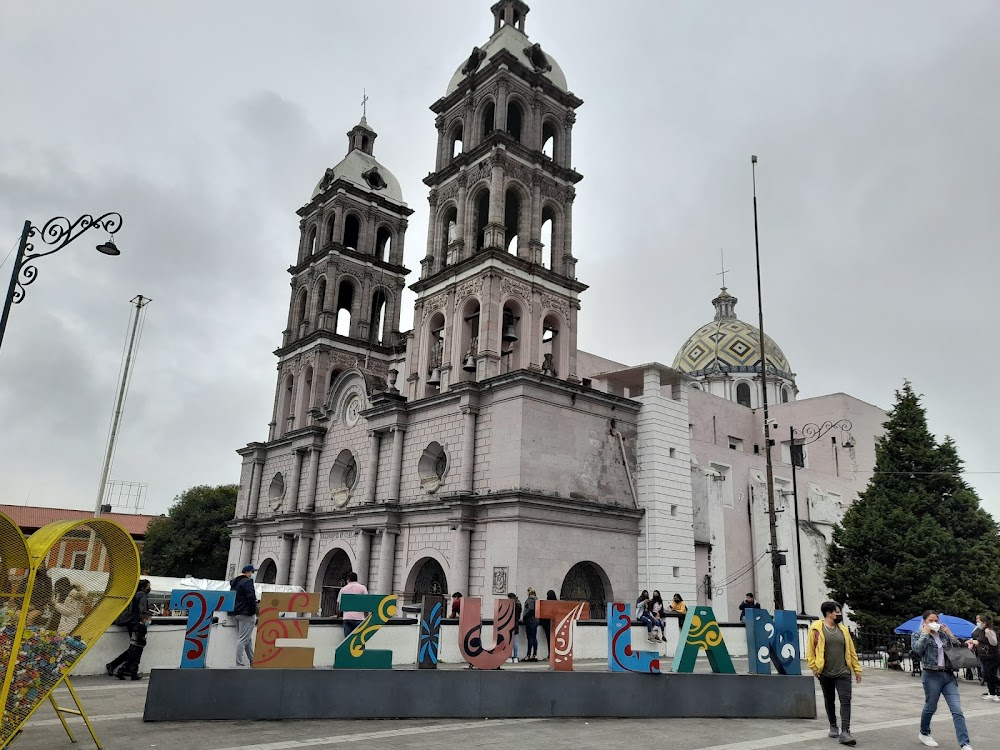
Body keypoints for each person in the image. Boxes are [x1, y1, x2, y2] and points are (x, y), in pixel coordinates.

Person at [912, 609, 973, 750]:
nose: (934, 623)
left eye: (936, 620)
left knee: (957, 709)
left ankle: (965, 743)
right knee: (930, 706)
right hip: (931, 675)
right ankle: (924, 733)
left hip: (948, 675)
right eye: (930, 621)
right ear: (924, 621)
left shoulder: (943, 635)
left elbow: (959, 649)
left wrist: (950, 634)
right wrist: (925, 634)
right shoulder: (918, 634)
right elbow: (917, 650)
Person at [807, 600, 862, 746]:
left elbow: (851, 650)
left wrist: (857, 669)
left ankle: (845, 731)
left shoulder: (843, 630)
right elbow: (811, 651)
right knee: (829, 699)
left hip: (843, 671)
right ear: (828, 613)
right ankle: (833, 725)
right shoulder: (816, 629)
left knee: (845, 700)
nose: (839, 615)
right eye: (837, 612)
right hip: (824, 672)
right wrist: (814, 668)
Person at [107, 579, 152, 676]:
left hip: (130, 622)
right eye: (148, 586)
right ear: (143, 588)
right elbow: (142, 610)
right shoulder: (143, 595)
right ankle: (116, 665)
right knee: (135, 647)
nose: (150, 588)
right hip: (137, 623)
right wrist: (145, 622)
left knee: (134, 646)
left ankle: (126, 668)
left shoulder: (133, 594)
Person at [230, 564, 259, 668]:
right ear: (247, 572)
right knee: (243, 639)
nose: (253, 574)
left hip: (236, 612)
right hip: (246, 613)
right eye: (252, 572)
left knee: (247, 639)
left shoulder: (234, 582)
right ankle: (239, 663)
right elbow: (250, 597)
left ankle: (252, 660)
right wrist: (254, 610)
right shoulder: (248, 581)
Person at [967, 614, 999, 702]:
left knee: (991, 675)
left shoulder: (989, 631)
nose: (977, 623)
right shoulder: (981, 631)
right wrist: (972, 641)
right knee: (986, 675)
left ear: (984, 623)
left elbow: (994, 643)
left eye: (978, 622)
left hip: (992, 656)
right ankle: (992, 693)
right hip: (984, 656)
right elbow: (980, 641)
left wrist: (988, 633)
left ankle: (995, 692)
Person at [115, 612, 151, 681]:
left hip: (133, 645)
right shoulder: (141, 627)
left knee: (129, 660)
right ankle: (133, 674)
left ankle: (121, 672)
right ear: (145, 620)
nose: (150, 621)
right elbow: (140, 637)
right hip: (137, 646)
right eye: (149, 619)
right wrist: (144, 642)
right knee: (136, 661)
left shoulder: (137, 626)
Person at [337, 571, 368, 638]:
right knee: (359, 640)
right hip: (359, 618)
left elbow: (339, 604)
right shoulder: (362, 588)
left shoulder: (343, 589)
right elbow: (366, 602)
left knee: (348, 641)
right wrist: (366, 616)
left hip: (347, 618)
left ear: (348, 580)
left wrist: (337, 616)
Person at [523, 587, 539, 662]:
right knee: (534, 638)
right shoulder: (536, 600)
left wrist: (524, 617)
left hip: (530, 621)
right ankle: (535, 654)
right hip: (536, 620)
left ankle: (528, 655)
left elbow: (530, 609)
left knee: (530, 638)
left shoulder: (529, 600)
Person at [540, 589, 557, 657]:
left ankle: (550, 654)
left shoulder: (547, 604)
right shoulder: (557, 604)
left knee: (549, 640)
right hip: (555, 625)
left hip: (547, 625)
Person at [507, 592, 522, 664]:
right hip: (516, 624)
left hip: (510, 624)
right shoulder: (518, 604)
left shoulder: (511, 605)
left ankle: (509, 657)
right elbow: (519, 616)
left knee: (510, 641)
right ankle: (515, 657)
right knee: (515, 641)